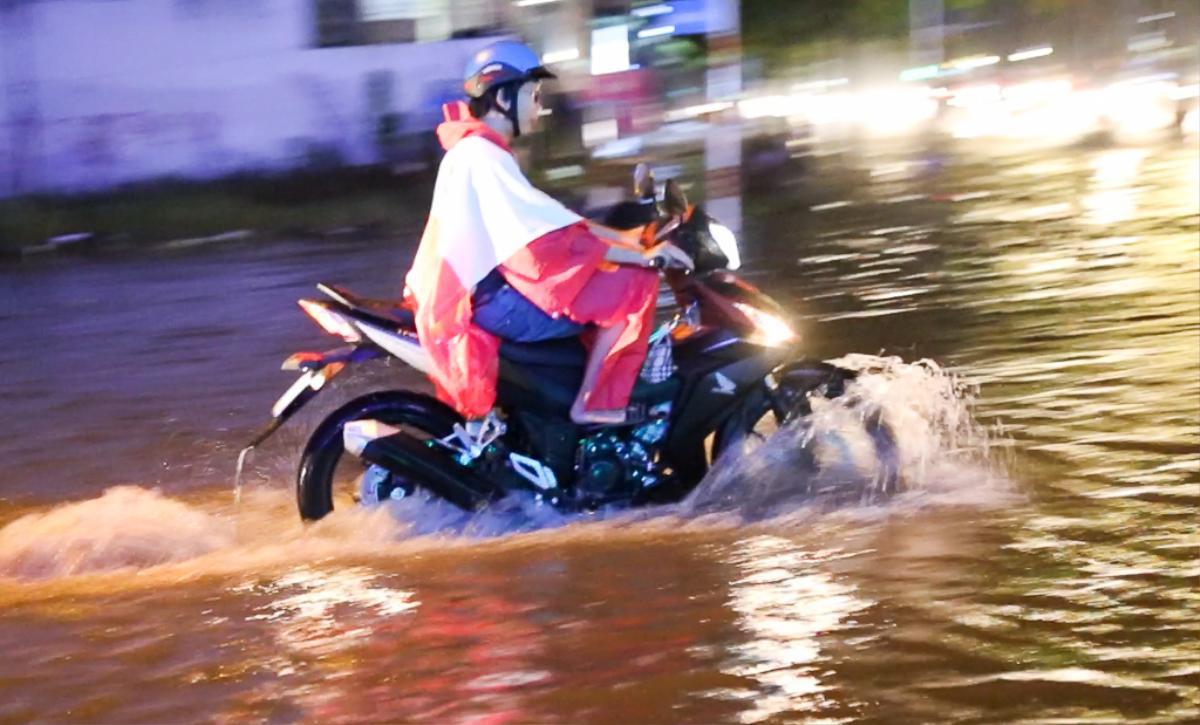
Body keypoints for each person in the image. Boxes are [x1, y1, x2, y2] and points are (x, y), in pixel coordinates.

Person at [404, 40, 691, 426]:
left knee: (616, 275)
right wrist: (643, 257)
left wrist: (629, 239)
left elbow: (556, 222)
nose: (540, 106)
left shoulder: (479, 153)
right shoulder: (482, 158)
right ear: (503, 97)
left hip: (490, 293)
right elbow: (546, 245)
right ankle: (592, 404)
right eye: (534, 95)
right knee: (634, 288)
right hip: (494, 302)